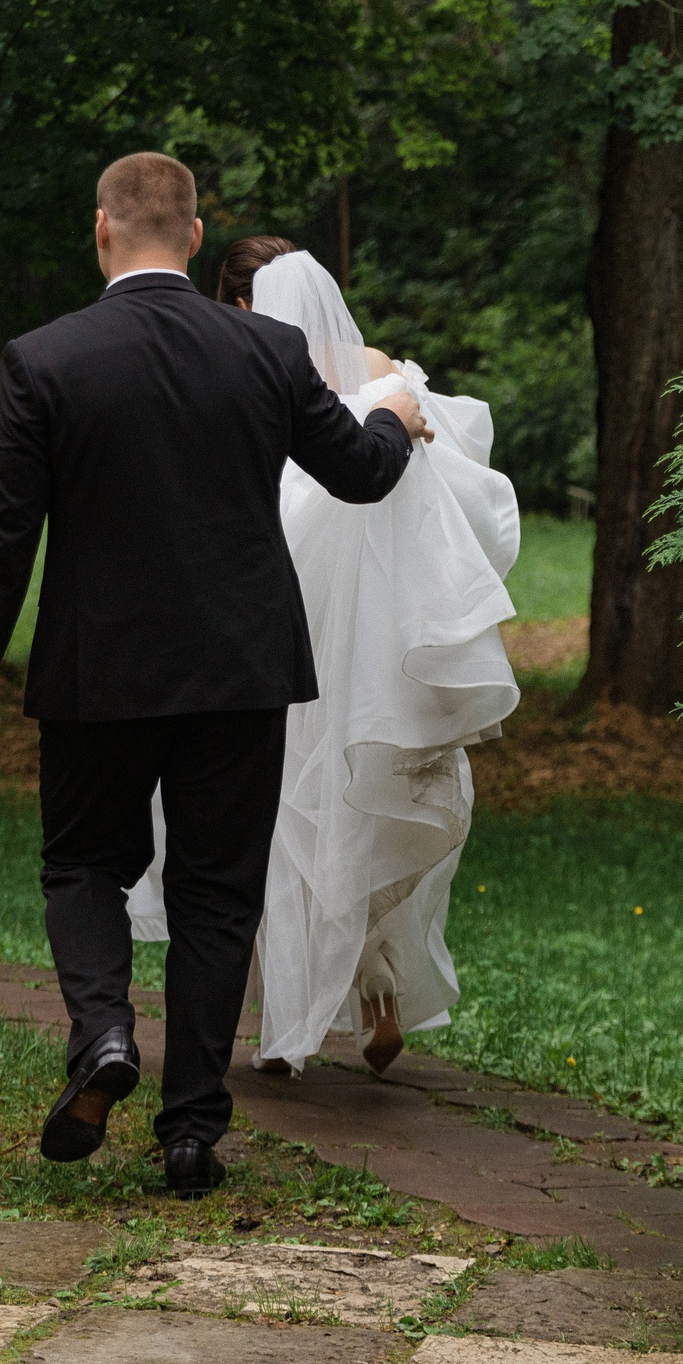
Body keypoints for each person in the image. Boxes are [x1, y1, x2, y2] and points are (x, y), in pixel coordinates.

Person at [0, 156, 432, 1199]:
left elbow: (1, 539)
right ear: (195, 236)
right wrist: (396, 414)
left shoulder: (46, 359)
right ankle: (191, 1130)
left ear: (101, 230)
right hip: (240, 671)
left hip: (97, 671)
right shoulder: (267, 348)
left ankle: (105, 1032)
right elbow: (361, 470)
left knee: (82, 865)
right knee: (215, 897)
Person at [128, 239, 519, 1074]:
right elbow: (445, 490)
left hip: (277, 627)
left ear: (237, 307)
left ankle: (286, 1025)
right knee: (355, 803)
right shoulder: (377, 369)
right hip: (368, 641)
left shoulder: (244, 374)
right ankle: (375, 994)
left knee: (280, 820)